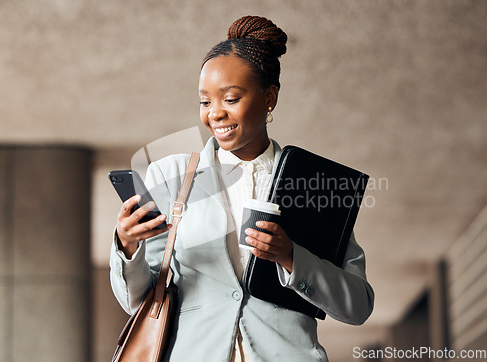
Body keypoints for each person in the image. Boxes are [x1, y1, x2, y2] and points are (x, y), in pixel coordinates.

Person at [110, 15, 374, 362]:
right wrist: (128, 247)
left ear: (270, 98)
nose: (214, 114)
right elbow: (137, 300)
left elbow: (358, 305)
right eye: (205, 102)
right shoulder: (171, 176)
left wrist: (291, 256)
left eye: (230, 99)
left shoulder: (314, 183)